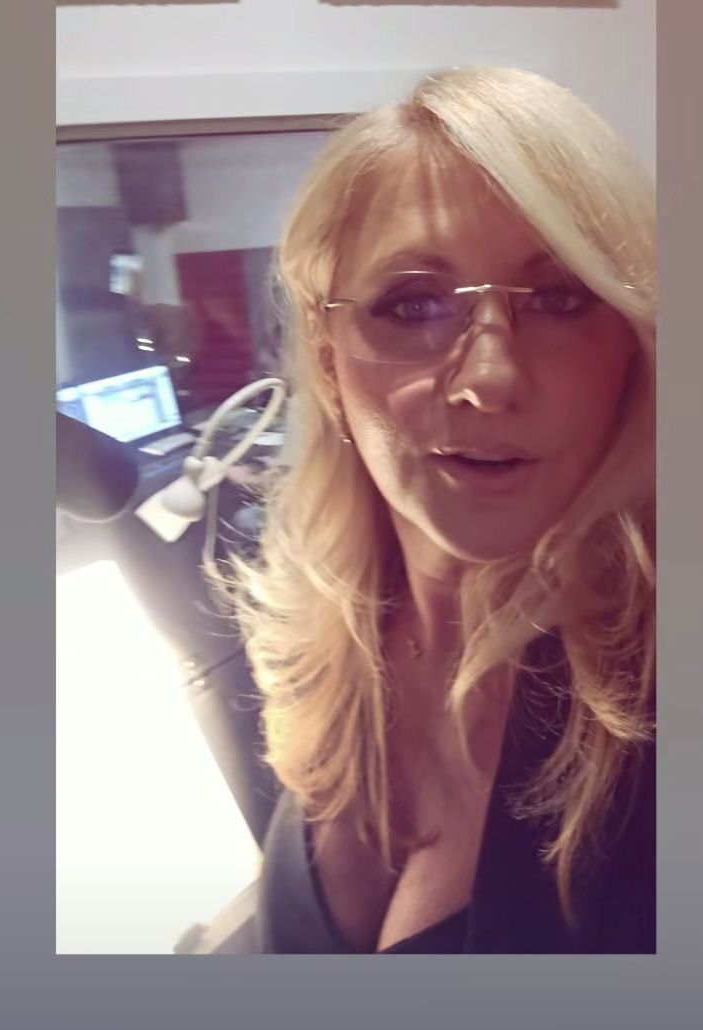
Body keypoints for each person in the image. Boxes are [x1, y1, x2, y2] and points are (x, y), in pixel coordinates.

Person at [220, 66, 656, 954]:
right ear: (328, 361)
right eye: (411, 303)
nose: (489, 377)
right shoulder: (325, 638)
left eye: (559, 299)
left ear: (631, 349)